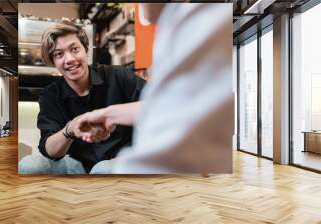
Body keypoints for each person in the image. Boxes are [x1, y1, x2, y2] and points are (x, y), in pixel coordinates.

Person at [75, 3, 234, 174]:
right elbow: (170, 104)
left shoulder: (195, 21)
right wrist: (108, 115)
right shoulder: (175, 25)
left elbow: (165, 159)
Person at [18, 20, 146, 174]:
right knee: (29, 165)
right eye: (59, 54)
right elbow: (49, 150)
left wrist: (109, 115)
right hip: (75, 166)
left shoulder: (118, 76)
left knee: (103, 170)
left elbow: (161, 104)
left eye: (74, 49)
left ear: (85, 49)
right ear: (53, 61)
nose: (70, 59)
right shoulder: (50, 95)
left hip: (120, 161)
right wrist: (70, 129)